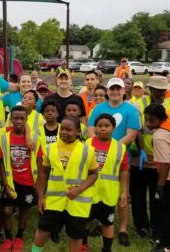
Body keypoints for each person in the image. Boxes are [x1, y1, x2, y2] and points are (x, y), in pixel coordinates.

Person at [32, 116, 98, 252]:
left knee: (75, 235)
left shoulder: (87, 150)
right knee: (43, 230)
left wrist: (79, 190)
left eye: (69, 130)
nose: (64, 132)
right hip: (54, 200)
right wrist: (40, 198)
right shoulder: (50, 148)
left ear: (78, 132)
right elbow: (44, 172)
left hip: (78, 203)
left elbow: (94, 174)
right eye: (62, 129)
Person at [88, 78, 140, 246]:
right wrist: (100, 149)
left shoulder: (130, 110)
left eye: (118, 89)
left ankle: (123, 228)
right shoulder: (98, 108)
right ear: (108, 91)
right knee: (96, 190)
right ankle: (99, 221)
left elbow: (131, 134)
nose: (115, 92)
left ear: (124, 91)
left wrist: (112, 149)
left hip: (120, 156)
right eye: (112, 89)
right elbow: (91, 132)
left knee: (121, 194)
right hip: (97, 157)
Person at [133, 76, 170, 244]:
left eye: (163, 90)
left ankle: (156, 229)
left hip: (161, 159)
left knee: (157, 196)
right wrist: (142, 150)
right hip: (141, 160)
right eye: (158, 90)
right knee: (138, 196)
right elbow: (137, 130)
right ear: (150, 90)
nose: (161, 94)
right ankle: (141, 226)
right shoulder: (139, 106)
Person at [0, 106, 42, 252]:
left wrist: (38, 183)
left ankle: (19, 237)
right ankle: (8, 237)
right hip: (11, 182)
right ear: (10, 119)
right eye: (15, 118)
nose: (19, 121)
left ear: (26, 119)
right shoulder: (4, 139)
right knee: (7, 211)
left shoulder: (34, 139)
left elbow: (40, 162)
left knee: (25, 208)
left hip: (28, 181)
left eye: (22, 118)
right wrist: (4, 182)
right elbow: (1, 163)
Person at [143, 104, 170, 252]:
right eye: (146, 120)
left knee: (166, 209)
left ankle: (167, 244)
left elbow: (165, 164)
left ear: (162, 118)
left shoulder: (159, 136)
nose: (149, 124)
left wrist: (160, 187)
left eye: (152, 121)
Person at [83, 114, 128, 252]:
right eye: (100, 126)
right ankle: (83, 245)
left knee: (107, 222)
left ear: (113, 128)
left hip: (108, 193)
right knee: (86, 220)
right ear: (95, 128)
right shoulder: (87, 144)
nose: (103, 129)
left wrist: (124, 192)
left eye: (107, 126)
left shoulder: (120, 148)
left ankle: (107, 248)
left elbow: (124, 171)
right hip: (89, 191)